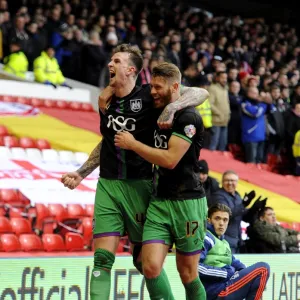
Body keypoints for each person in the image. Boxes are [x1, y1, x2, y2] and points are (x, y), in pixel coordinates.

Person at [61, 44, 209, 300]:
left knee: (145, 263)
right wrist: (82, 172)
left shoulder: (151, 97)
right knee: (102, 259)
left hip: (140, 186)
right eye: (111, 60)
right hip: (108, 184)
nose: (110, 64)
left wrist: (172, 108)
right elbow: (108, 140)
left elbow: (200, 92)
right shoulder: (106, 100)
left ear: (131, 70)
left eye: (116, 61)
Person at [115, 62, 209, 300]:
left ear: (175, 86)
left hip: (188, 203)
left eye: (158, 87)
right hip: (159, 201)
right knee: (150, 266)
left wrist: (133, 144)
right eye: (152, 85)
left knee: (187, 274)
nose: (153, 91)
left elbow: (170, 160)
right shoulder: (155, 106)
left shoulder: (188, 117)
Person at [198, 203, 270, 300]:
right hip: (216, 292)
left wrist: (244, 273)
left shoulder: (224, 242)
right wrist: (225, 273)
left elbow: (234, 262)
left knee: (258, 277)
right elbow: (196, 267)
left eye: (225, 220)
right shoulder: (206, 237)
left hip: (225, 286)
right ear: (209, 221)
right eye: (217, 218)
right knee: (263, 269)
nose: (221, 223)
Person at [211, 170, 255, 253]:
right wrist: (243, 205)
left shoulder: (237, 195)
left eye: (232, 180)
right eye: (227, 180)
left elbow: (243, 216)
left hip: (237, 242)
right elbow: (225, 214)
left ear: (237, 182)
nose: (230, 183)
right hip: (224, 241)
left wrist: (254, 209)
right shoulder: (218, 195)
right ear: (222, 182)